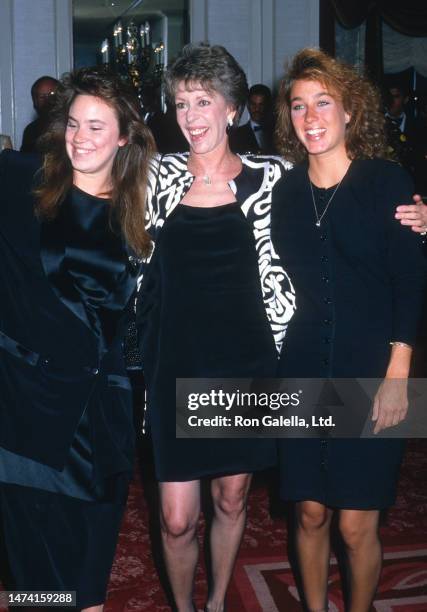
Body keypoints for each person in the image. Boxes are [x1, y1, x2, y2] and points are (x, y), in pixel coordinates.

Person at [136, 43, 295, 612]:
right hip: (175, 360)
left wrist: (411, 212)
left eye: (203, 101)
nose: (191, 117)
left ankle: (218, 601)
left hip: (246, 360)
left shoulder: (273, 177)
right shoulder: (154, 176)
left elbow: (338, 212)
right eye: (181, 104)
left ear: (231, 108)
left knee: (231, 499)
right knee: (177, 520)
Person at [272, 48, 427, 612]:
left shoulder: (388, 182)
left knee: (358, 524)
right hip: (305, 362)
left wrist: (399, 372)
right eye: (298, 107)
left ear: (349, 113)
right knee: (310, 512)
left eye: (323, 103)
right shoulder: (284, 192)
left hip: (374, 363)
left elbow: (409, 280)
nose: (311, 117)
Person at [0, 67, 155, 611]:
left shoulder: (144, 203)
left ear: (123, 136)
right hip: (28, 413)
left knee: (89, 584)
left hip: (103, 413)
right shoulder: (22, 180)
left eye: (96, 126)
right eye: (73, 124)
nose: (80, 137)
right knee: (40, 586)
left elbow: (244, 181)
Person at [230, 83, 277, 154]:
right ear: (248, 105)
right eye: (253, 104)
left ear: (268, 105)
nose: (257, 109)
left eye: (261, 104)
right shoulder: (236, 135)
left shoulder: (278, 133)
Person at [20, 75, 59, 153]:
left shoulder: (73, 126)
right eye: (42, 97)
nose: (48, 100)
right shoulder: (31, 131)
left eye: (52, 94)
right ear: (35, 102)